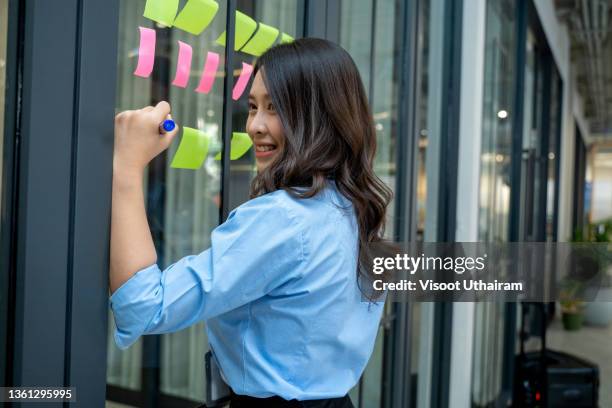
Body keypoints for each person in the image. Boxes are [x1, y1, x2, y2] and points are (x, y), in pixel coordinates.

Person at [109, 38, 392, 408]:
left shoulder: (284, 218)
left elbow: (145, 307)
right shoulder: (357, 209)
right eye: (254, 106)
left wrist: (125, 167)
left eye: (276, 108)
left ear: (321, 117)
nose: (256, 126)